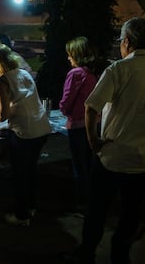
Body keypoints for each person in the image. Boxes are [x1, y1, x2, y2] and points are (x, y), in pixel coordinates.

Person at [60, 17, 145, 264]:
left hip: (112, 156)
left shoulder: (118, 70)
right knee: (131, 213)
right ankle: (119, 254)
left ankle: (87, 253)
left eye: (121, 41)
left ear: (127, 42)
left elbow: (91, 108)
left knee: (97, 210)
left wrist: (93, 142)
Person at [0, 43, 52, 227]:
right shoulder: (23, 73)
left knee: (20, 174)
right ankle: (31, 207)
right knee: (31, 170)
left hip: (24, 132)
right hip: (41, 128)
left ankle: (21, 215)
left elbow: (4, 114)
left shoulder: (1, 81)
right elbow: (27, 102)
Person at [59, 36, 97, 215]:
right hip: (93, 124)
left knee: (79, 167)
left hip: (77, 126)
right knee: (89, 166)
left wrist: (63, 110)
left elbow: (66, 101)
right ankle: (91, 203)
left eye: (69, 54)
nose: (68, 58)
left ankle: (81, 206)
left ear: (76, 54)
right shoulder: (91, 73)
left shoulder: (75, 74)